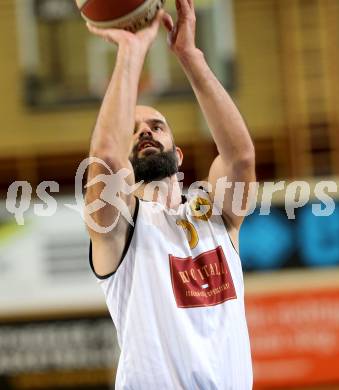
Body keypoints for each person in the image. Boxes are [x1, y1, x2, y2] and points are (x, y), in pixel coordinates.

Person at [86, 0, 255, 388]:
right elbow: (108, 158)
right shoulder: (120, 227)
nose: (145, 131)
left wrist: (189, 56)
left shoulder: (216, 216)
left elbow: (241, 156)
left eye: (157, 126)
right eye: (134, 128)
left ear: (177, 155)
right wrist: (131, 50)